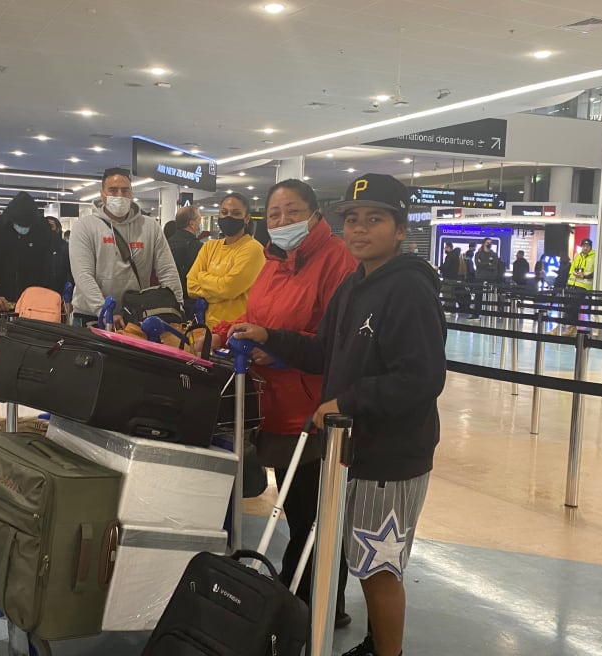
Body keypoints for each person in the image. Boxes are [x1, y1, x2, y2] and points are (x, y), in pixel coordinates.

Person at [232, 174, 446, 656]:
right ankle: (374, 644)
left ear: (399, 228)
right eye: (352, 219)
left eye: (374, 219)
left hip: (390, 455)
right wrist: (273, 339)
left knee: (378, 565)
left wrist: (345, 403)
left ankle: (385, 650)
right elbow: (326, 350)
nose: (359, 229)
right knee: (362, 554)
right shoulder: (354, 284)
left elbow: (421, 377)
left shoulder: (408, 289)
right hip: (352, 449)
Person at [212, 179, 356, 626]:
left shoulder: (337, 261)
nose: (282, 222)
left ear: (314, 214)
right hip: (271, 402)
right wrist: (223, 330)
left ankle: (317, 609)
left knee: (312, 518)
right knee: (298, 512)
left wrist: (277, 347)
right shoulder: (273, 261)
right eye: (273, 215)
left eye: (292, 212)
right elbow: (259, 317)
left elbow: (335, 341)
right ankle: (299, 601)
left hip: (311, 410)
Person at [69, 167, 181, 327]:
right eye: (113, 190)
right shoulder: (84, 227)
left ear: (132, 193)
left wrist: (177, 307)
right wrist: (104, 311)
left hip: (135, 316)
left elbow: (167, 270)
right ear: (102, 194)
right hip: (91, 316)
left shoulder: (150, 227)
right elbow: (83, 276)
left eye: (125, 190)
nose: (119, 196)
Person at [186, 193, 265, 329]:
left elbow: (229, 288)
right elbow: (191, 286)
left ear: (246, 219)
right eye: (224, 212)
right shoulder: (210, 247)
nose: (229, 217)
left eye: (236, 213)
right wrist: (221, 292)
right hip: (207, 328)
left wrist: (202, 276)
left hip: (237, 330)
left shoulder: (253, 249)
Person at [0, 192, 57, 309]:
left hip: (33, 301)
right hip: (1, 299)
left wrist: (44, 295)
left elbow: (47, 267)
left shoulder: (42, 228)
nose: (23, 229)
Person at [167, 205, 203, 309]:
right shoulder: (195, 245)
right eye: (199, 219)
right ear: (191, 223)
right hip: (189, 298)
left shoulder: (167, 242)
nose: (200, 223)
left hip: (169, 295)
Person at [562, 239, 596, 336]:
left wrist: (584, 276)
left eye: (587, 246)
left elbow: (594, 271)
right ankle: (567, 327)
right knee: (568, 306)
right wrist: (569, 281)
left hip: (584, 286)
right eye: (584, 246)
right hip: (572, 284)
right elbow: (572, 269)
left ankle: (571, 328)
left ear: (590, 247)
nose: (585, 248)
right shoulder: (577, 255)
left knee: (574, 307)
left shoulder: (594, 257)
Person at [45, 216, 72, 293]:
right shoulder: (38, 247)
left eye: (51, 226)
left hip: (61, 291)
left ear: (58, 229)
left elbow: (69, 271)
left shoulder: (66, 247)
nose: (48, 229)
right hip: (42, 291)